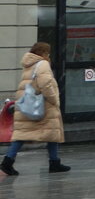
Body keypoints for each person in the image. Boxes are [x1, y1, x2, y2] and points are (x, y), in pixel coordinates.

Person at [1, 42, 69, 176]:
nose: (49, 55)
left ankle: (7, 162)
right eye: (48, 52)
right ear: (43, 53)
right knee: (51, 132)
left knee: (23, 134)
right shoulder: (42, 64)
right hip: (42, 105)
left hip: (27, 103)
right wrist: (54, 99)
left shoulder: (29, 63)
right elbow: (45, 84)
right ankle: (54, 163)